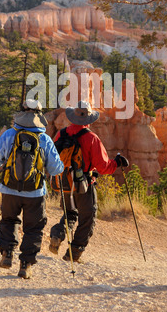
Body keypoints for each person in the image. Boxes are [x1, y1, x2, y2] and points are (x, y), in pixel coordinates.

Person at [0, 99, 64, 279]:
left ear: (21, 113)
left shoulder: (8, 135)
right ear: (39, 115)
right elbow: (55, 168)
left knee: (8, 220)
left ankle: (7, 253)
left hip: (9, 189)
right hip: (35, 192)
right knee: (34, 228)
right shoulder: (44, 139)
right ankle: (25, 265)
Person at [49, 100, 129, 263]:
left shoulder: (61, 134)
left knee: (70, 214)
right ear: (88, 119)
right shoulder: (91, 138)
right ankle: (74, 254)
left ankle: (57, 233)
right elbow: (104, 166)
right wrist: (117, 163)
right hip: (83, 186)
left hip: (64, 183)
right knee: (88, 218)